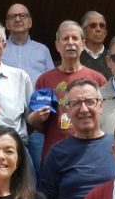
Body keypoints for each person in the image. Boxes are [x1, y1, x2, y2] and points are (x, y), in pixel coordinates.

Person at [27, 20, 107, 159]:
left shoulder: (98, 79)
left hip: (90, 152)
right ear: (57, 45)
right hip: (55, 154)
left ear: (83, 44)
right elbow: (41, 127)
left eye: (75, 38)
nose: (70, 42)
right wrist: (34, 120)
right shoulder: (44, 80)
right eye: (65, 38)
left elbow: (105, 119)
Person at [2, 3, 54, 83]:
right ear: (7, 24)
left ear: (30, 22)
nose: (18, 19)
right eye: (12, 16)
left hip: (35, 95)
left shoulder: (42, 50)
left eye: (22, 15)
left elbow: (52, 80)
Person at [79, 10, 111, 79]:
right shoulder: (75, 57)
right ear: (83, 32)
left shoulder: (114, 57)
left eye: (102, 26)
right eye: (93, 25)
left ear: (105, 33)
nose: (98, 29)